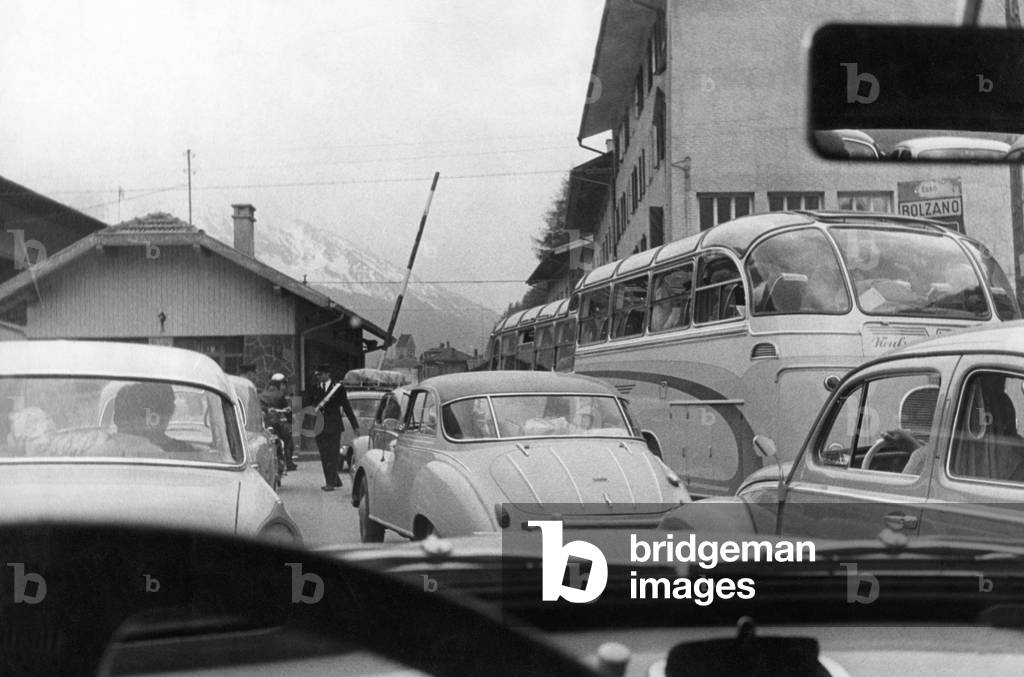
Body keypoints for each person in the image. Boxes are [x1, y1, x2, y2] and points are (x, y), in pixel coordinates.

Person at [304, 364, 359, 492]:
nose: (319, 377)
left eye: (321, 374)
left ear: (328, 374)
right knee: (324, 454)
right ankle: (334, 479)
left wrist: (354, 425)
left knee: (333, 454)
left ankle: (330, 483)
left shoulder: (338, 388)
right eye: (318, 375)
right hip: (319, 425)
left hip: (334, 426)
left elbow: (346, 407)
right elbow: (308, 404)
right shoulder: (314, 387)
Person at [260, 373, 297, 471]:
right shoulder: (280, 395)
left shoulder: (262, 394)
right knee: (288, 435)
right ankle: (288, 461)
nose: (284, 387)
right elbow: (287, 411)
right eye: (283, 384)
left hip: (264, 424)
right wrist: (290, 419)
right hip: (275, 423)